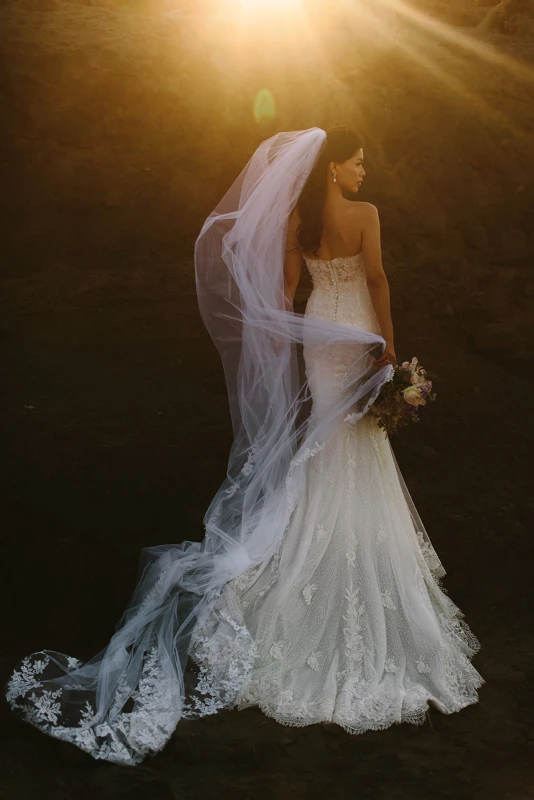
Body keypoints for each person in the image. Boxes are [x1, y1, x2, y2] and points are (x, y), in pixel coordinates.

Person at [5, 127, 484, 765]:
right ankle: (350, 563)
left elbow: (284, 299)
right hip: (360, 332)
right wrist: (389, 346)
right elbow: (376, 277)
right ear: (334, 167)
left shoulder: (296, 220)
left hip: (322, 338)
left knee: (335, 440)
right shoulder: (366, 215)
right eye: (359, 163)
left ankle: (322, 549)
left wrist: (306, 335)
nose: (366, 173)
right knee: (356, 441)